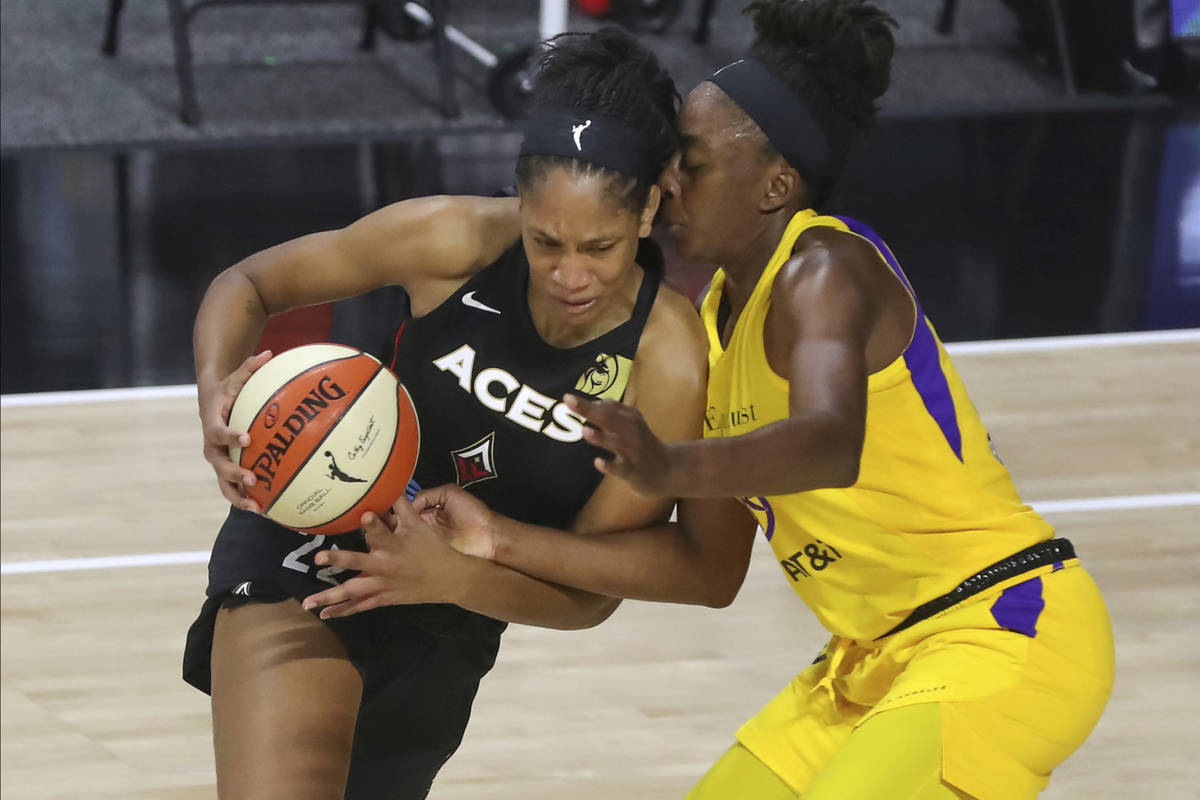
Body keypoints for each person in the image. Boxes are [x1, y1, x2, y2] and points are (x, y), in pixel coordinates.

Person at [308, 2, 1116, 798]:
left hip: (999, 632)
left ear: (775, 185)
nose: (666, 184)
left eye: (690, 165)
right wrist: (499, 539)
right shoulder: (708, 333)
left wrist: (669, 463)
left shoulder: (823, 267)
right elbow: (703, 568)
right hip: (864, 664)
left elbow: (831, 443)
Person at [182, 27, 723, 800]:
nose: (570, 274)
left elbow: (592, 592)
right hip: (310, 546)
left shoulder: (668, 362)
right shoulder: (452, 238)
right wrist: (215, 394)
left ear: (646, 214)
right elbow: (249, 284)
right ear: (520, 203)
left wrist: (458, 578)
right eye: (545, 241)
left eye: (600, 247)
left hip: (458, 611)